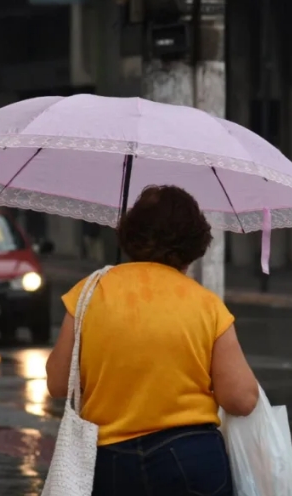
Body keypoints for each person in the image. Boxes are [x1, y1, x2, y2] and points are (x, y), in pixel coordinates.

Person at [45, 185, 260, 496]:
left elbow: (57, 383)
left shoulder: (88, 294)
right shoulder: (206, 305)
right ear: (195, 242)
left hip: (110, 465)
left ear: (132, 233)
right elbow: (242, 399)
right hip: (190, 460)